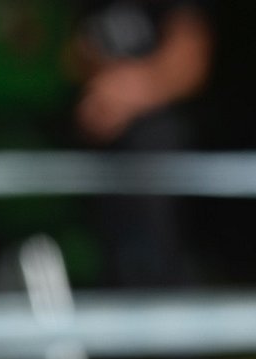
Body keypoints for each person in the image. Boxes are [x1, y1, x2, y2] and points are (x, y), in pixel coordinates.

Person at [69, 0, 212, 288]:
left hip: (162, 152)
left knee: (157, 255)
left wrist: (124, 93)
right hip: (99, 153)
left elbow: (191, 57)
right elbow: (72, 55)